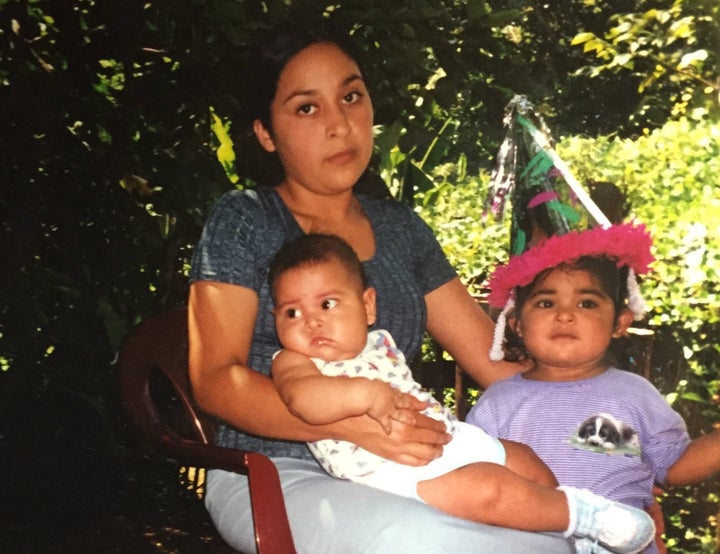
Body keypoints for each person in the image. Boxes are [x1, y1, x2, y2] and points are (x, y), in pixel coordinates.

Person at [187, 19, 576, 554]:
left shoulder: (401, 228)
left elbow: (491, 363)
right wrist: (349, 426)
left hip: (413, 463)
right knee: (445, 546)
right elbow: (215, 380)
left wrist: (601, 414)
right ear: (265, 133)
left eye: (351, 97)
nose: (339, 125)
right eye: (307, 107)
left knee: (552, 538)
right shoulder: (246, 220)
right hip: (270, 469)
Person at [269, 232, 656, 552]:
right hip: (391, 470)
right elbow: (303, 400)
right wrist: (366, 395)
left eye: (327, 303)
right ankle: (584, 516)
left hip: (449, 437)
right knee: (487, 490)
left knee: (524, 461)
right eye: (291, 312)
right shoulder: (294, 362)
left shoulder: (379, 342)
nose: (311, 320)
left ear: (368, 306)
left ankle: (570, 529)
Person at [467, 244, 720, 553]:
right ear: (518, 324)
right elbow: (472, 480)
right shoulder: (496, 404)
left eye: (587, 303)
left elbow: (676, 466)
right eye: (546, 303)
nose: (565, 315)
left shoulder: (634, 394)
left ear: (620, 322)